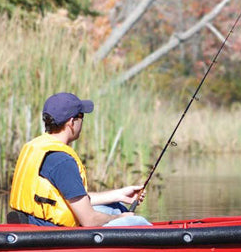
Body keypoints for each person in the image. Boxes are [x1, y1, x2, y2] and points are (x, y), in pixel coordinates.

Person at [9, 92, 151, 227]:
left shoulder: (39, 147)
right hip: (52, 231)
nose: (82, 122)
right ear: (72, 122)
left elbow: (73, 199)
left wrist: (119, 195)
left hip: (35, 221)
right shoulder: (62, 161)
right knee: (136, 221)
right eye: (81, 116)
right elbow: (89, 220)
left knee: (115, 207)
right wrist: (119, 218)